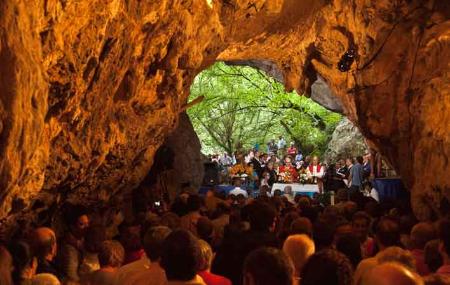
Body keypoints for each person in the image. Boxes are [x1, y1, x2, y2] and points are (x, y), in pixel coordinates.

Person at [58, 205, 89, 283]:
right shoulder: (68, 250)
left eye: (87, 223)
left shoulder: (82, 239)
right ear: (72, 227)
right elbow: (72, 277)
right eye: (82, 224)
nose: (87, 227)